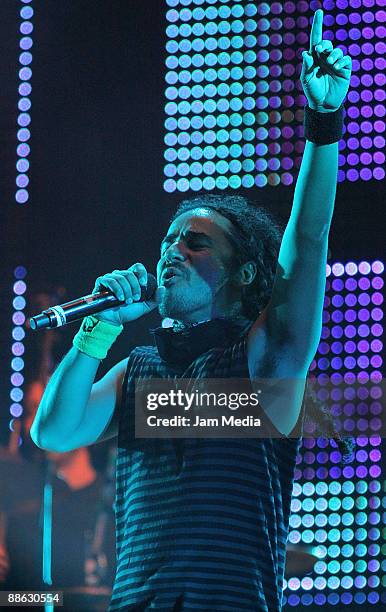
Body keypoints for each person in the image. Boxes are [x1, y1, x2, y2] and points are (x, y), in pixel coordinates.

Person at [31, 9, 353, 611]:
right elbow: (54, 431)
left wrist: (324, 122)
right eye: (168, 239)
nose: (172, 251)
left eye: (196, 242)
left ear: (243, 273)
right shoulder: (140, 371)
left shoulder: (262, 362)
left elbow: (307, 243)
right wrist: (98, 327)